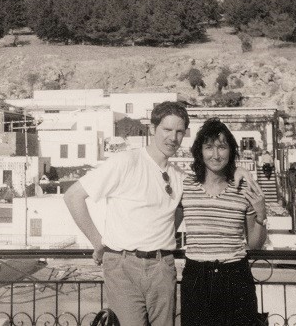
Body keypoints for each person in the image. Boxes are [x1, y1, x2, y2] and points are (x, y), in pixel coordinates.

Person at [64, 102, 259, 326]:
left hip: (162, 267)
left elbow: (209, 177)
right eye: (167, 130)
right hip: (123, 267)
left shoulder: (180, 178)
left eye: (179, 132)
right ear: (152, 128)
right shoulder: (126, 161)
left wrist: (237, 169)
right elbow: (73, 196)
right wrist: (97, 243)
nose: (173, 138)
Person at [180, 118, 267, 326]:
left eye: (222, 147)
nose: (216, 155)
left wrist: (261, 214)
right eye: (209, 147)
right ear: (200, 151)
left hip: (235, 276)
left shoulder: (242, 189)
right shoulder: (186, 186)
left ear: (231, 151)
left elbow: (255, 244)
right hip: (196, 279)